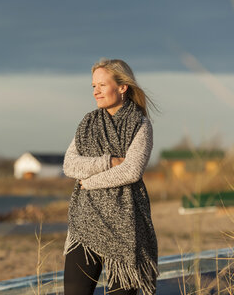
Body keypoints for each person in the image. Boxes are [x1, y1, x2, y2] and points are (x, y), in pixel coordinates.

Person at [62, 58, 160, 295]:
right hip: (86, 224)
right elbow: (69, 165)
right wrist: (108, 161)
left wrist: (89, 183)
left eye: (102, 85)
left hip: (126, 227)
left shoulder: (141, 125)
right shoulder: (87, 124)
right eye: (93, 86)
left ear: (122, 87)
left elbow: (132, 171)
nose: (96, 91)